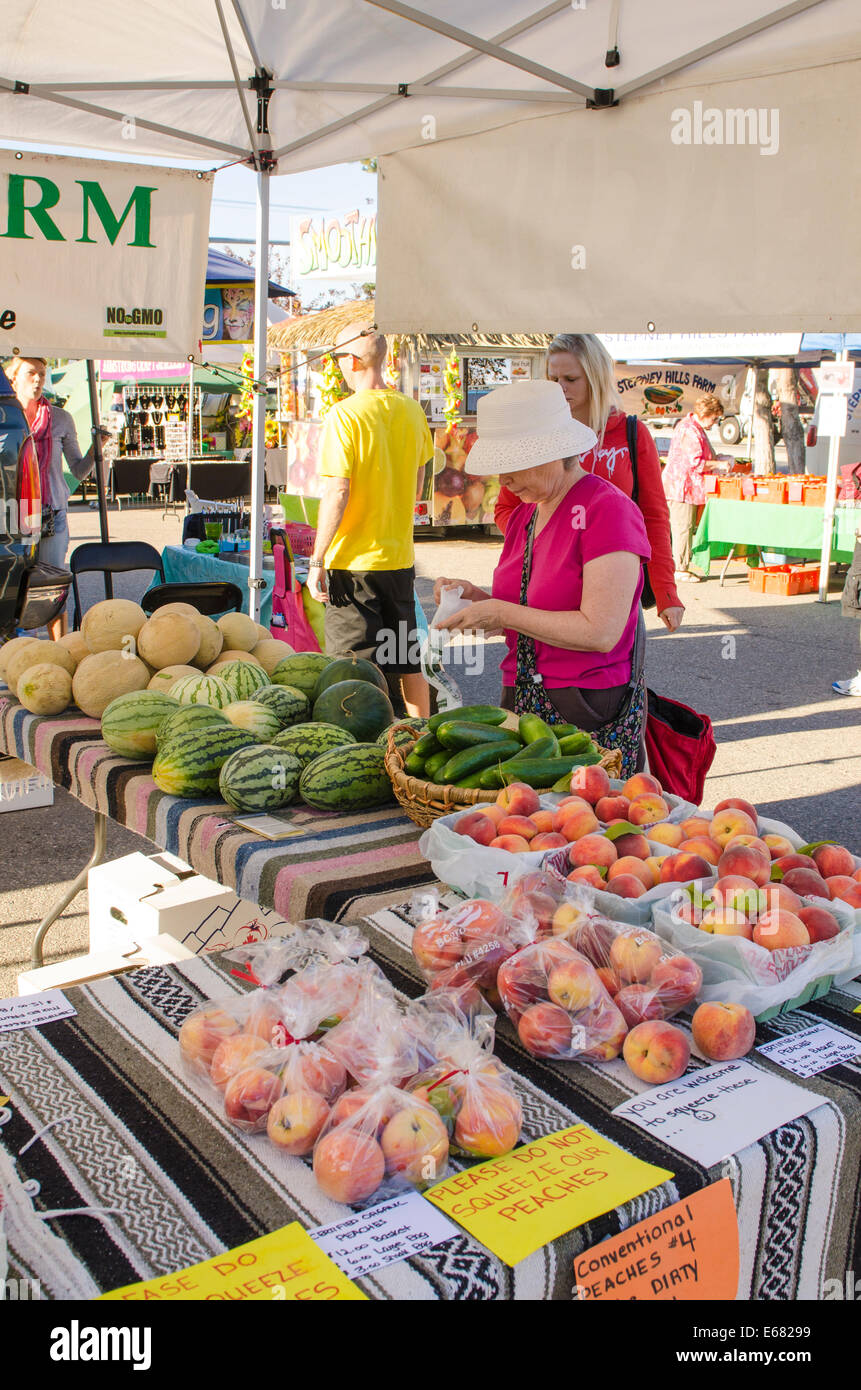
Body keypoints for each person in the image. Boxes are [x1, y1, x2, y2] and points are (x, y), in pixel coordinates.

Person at [435, 380, 651, 776]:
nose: (504, 480)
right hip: (521, 691)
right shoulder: (525, 515)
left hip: (584, 703)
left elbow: (600, 632)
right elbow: (527, 609)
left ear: (552, 453)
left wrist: (501, 613)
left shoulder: (607, 510)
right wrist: (474, 599)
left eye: (512, 465)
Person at [495, 334, 683, 632]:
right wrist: (543, 546)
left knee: (614, 669)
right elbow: (507, 508)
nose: (560, 388)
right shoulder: (537, 434)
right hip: (551, 584)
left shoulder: (631, 433)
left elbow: (654, 516)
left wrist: (666, 591)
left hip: (615, 583)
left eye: (570, 378)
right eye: (552, 378)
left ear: (595, 379)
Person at [307, 327, 433, 717]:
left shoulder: (344, 415)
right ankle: (422, 738)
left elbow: (337, 493)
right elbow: (418, 483)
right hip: (398, 560)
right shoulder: (412, 410)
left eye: (340, 359)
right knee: (406, 660)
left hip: (354, 563)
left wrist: (317, 561)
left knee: (352, 672)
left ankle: (359, 754)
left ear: (354, 361)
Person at [6, 356, 107, 639]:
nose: (37, 379)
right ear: (13, 377)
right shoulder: (6, 418)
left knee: (52, 586)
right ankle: (23, 649)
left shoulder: (60, 419)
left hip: (52, 512)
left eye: (42, 373)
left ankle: (58, 649)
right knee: (14, 585)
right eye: (30, 373)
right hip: (13, 512)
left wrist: (96, 449)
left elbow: (78, 469)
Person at [661, 393, 724, 582]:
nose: (715, 423)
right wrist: (719, 464)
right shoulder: (689, 429)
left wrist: (718, 459)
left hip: (687, 488)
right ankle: (679, 568)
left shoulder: (695, 428)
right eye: (714, 418)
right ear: (706, 413)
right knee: (683, 527)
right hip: (682, 487)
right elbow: (696, 462)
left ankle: (679, 565)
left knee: (684, 527)